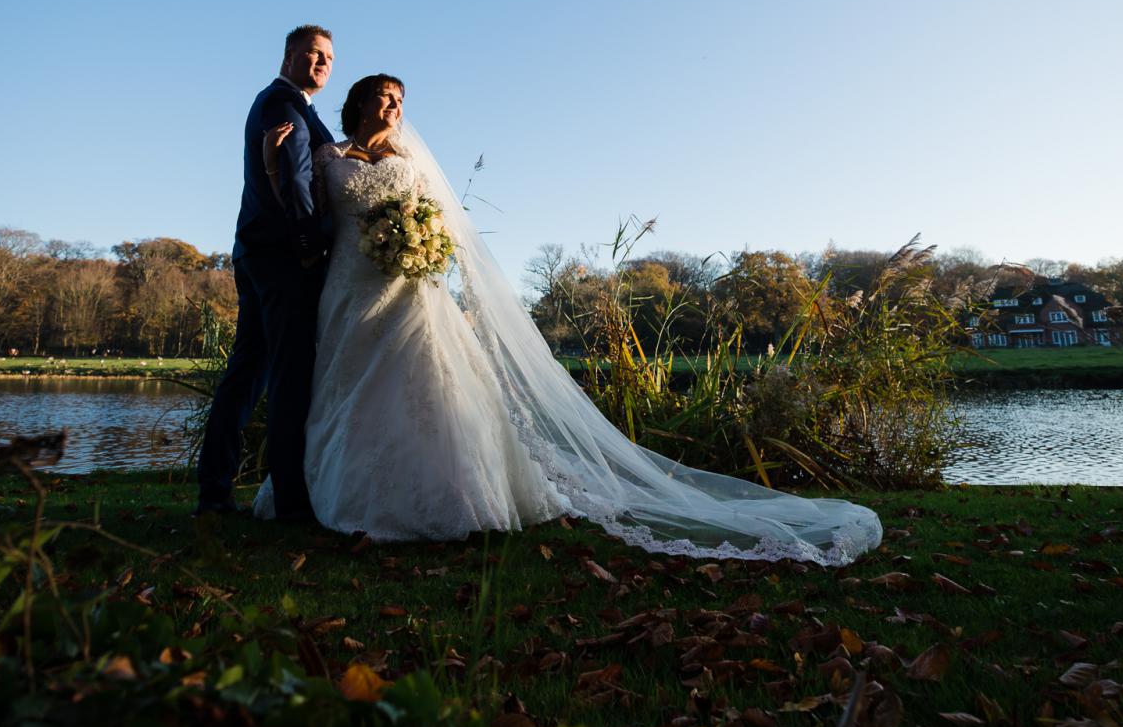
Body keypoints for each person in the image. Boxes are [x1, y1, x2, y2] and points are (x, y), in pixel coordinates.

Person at [254, 74, 883, 565]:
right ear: (359, 104)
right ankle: (332, 492)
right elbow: (310, 215)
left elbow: (440, 223)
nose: (392, 106)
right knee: (346, 386)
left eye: (398, 99)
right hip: (349, 287)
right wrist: (274, 169)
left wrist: (416, 240)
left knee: (420, 385)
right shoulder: (329, 154)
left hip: (409, 288)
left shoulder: (411, 165)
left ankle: (445, 502)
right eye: (383, 97)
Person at [196, 25, 335, 518]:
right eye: (313, 54)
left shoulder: (284, 103)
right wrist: (307, 247)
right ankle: (293, 504)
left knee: (247, 373)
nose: (322, 63)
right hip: (282, 256)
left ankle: (213, 493)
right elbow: (295, 180)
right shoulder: (283, 104)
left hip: (254, 251)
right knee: (289, 376)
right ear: (289, 55)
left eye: (328, 58)